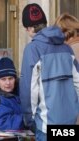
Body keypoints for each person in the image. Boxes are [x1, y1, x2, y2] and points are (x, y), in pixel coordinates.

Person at [20, 3, 79, 141]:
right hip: (69, 123)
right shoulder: (66, 49)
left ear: (28, 28)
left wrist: (30, 120)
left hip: (46, 126)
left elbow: (29, 91)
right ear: (45, 23)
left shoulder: (32, 49)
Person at [0, 57, 24, 130]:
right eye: (3, 79)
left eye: (10, 78)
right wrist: (27, 118)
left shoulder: (21, 93)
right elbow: (3, 122)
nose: (8, 83)